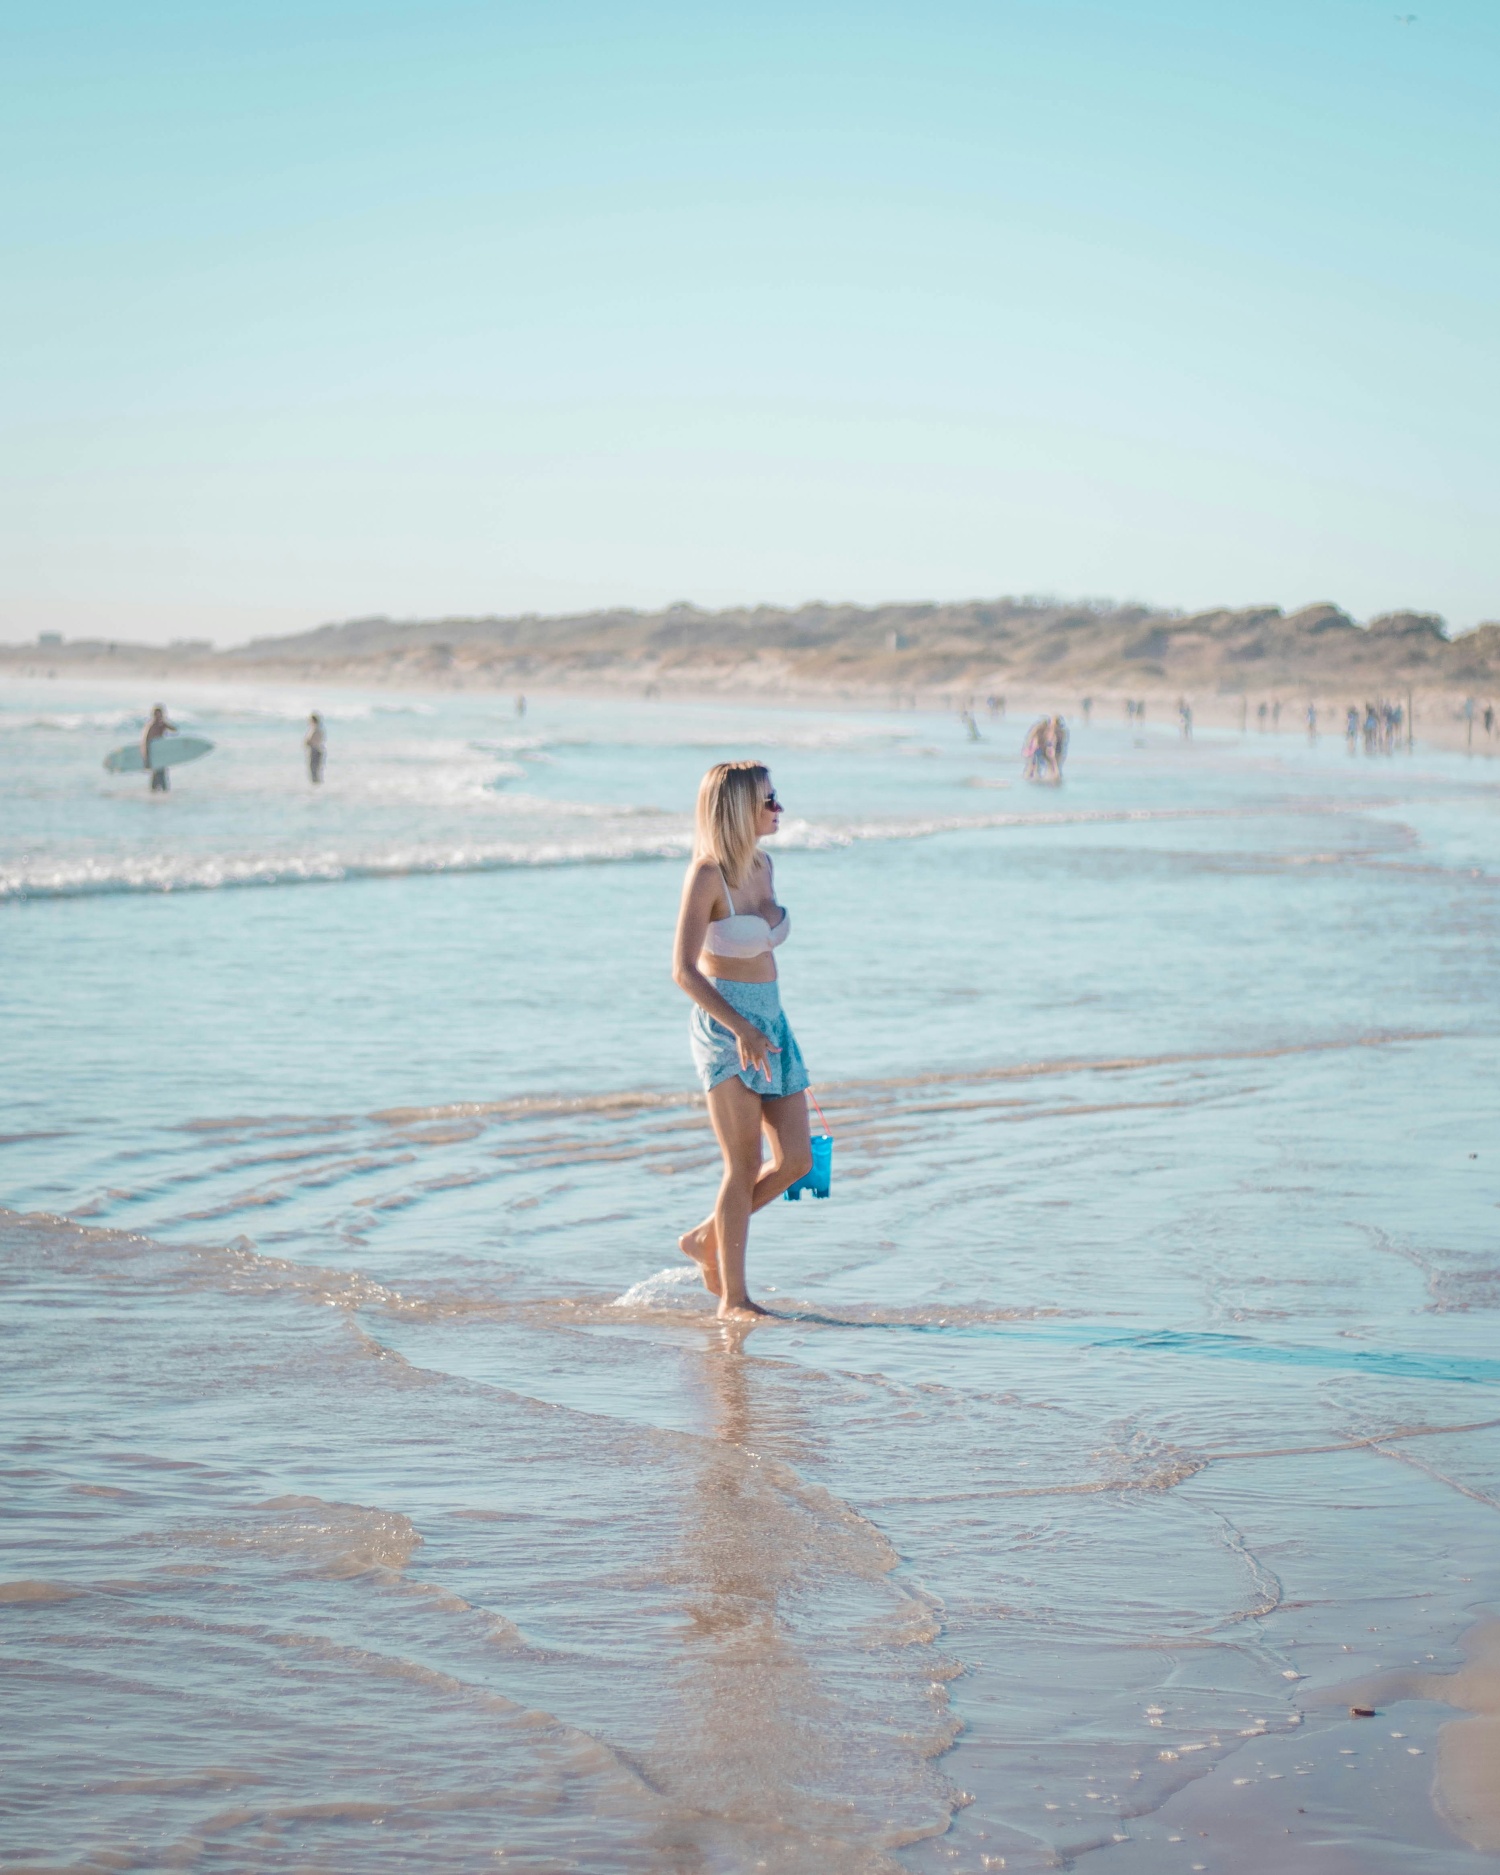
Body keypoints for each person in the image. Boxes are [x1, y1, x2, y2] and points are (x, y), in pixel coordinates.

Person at [673, 762, 812, 1321]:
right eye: (767, 800)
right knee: (743, 1162)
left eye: (776, 797)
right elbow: (683, 970)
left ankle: (708, 1238)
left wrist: (763, 1025)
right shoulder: (707, 876)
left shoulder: (765, 865)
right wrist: (740, 1027)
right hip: (726, 1027)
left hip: (772, 1022)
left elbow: (764, 950)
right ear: (736, 810)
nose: (778, 808)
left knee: (797, 1160)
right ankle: (734, 1299)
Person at [141, 704, 176, 792]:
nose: (158, 716)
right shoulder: (150, 726)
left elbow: (175, 729)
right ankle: (158, 795)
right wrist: (146, 759)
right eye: (156, 714)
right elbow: (145, 743)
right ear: (153, 715)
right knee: (160, 777)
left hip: (161, 756)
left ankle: (155, 797)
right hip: (153, 755)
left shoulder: (162, 725)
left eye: (160, 714)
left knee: (159, 777)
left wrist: (164, 723)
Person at [304, 712, 326, 784]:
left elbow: (310, 740)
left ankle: (315, 785)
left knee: (313, 768)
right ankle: (317, 784)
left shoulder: (314, 729)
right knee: (317, 768)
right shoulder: (320, 729)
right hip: (319, 749)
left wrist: (306, 742)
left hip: (314, 749)